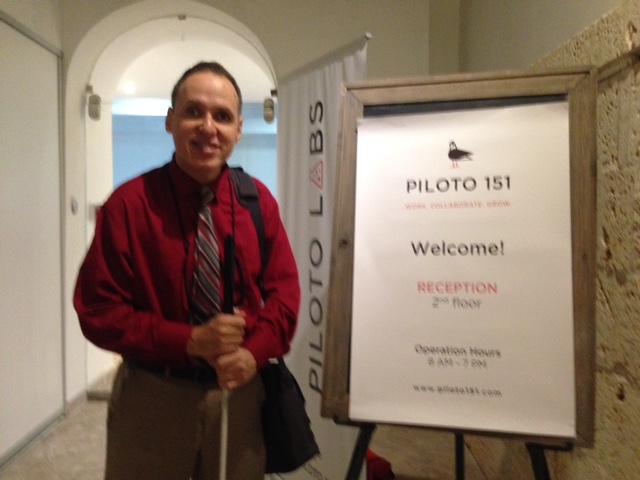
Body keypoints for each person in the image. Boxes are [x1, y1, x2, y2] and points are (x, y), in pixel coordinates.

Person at [74, 61, 301, 480]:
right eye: (193, 111)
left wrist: (254, 353)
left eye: (223, 116)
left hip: (238, 396)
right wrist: (190, 340)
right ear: (170, 121)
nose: (208, 127)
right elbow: (98, 311)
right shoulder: (128, 206)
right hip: (152, 399)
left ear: (237, 129)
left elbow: (285, 297)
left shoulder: (258, 203)